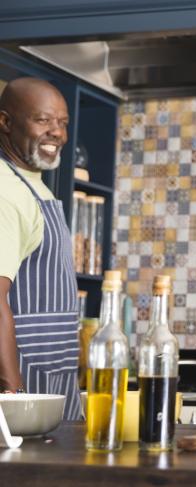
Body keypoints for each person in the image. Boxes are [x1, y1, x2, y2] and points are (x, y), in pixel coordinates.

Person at [0, 77, 81, 419]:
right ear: (5, 122)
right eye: (43, 120)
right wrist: (13, 398)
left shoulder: (35, 186)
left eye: (62, 123)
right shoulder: (5, 190)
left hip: (54, 384)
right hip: (24, 399)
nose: (57, 133)